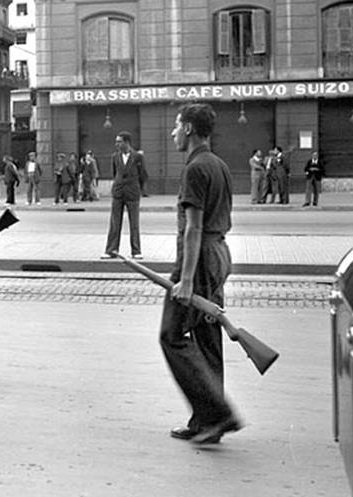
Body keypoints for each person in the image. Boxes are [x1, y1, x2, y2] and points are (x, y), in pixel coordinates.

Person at [163, 102, 241, 445]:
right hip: (218, 254)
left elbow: (193, 227)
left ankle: (217, 413)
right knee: (208, 341)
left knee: (172, 335)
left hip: (198, 259)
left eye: (177, 126)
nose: (174, 132)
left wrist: (187, 279)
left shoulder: (195, 168)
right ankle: (207, 423)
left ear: (190, 129)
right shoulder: (219, 165)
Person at [101, 131, 149, 259]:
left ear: (127, 142)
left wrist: (138, 188)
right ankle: (111, 250)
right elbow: (114, 173)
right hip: (118, 192)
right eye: (116, 142)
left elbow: (143, 174)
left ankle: (136, 251)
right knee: (114, 222)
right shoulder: (115, 157)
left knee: (134, 223)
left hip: (132, 193)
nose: (116, 144)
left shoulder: (138, 157)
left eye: (119, 141)